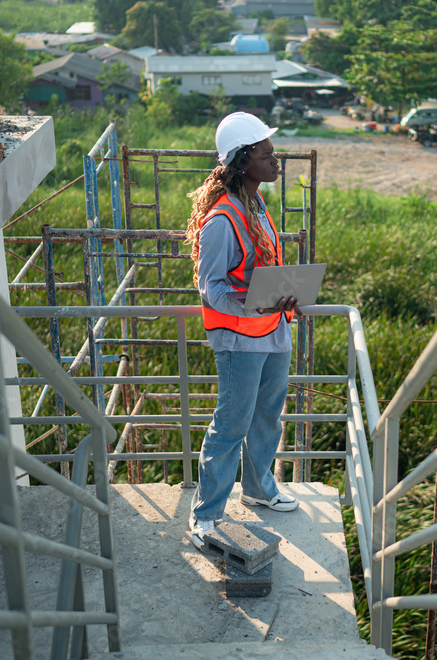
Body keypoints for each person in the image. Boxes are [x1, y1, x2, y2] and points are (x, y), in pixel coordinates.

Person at [183, 112, 300, 549]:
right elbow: (210, 287)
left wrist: (285, 296)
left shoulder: (257, 205)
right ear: (243, 159)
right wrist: (250, 307)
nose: (276, 160)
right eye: (267, 154)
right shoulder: (221, 220)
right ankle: (206, 516)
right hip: (239, 337)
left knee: (268, 416)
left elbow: (262, 266)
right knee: (231, 425)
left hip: (273, 329)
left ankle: (258, 489)